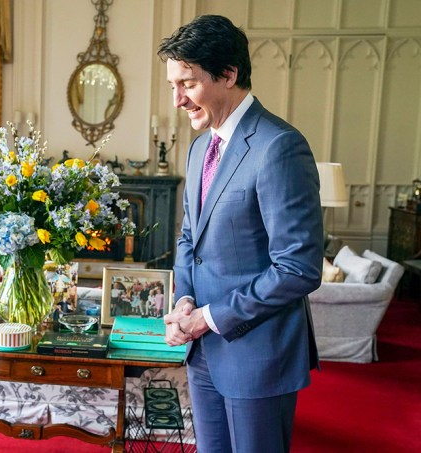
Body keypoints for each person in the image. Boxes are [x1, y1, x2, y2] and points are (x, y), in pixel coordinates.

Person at [159, 15, 323, 453]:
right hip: (203, 352)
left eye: (188, 84)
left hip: (258, 355)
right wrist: (185, 301)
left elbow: (298, 268)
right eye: (173, 85)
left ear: (228, 74)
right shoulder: (199, 148)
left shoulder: (279, 146)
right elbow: (189, 239)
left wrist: (208, 318)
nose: (177, 99)